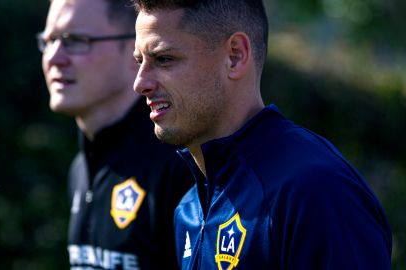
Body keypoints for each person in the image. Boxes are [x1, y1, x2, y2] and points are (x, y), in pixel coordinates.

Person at [131, 0, 393, 269]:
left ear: (235, 56)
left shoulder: (316, 190)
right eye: (139, 61)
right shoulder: (188, 209)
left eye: (163, 59)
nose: (140, 83)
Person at [37, 0, 193, 269]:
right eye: (49, 40)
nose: (54, 57)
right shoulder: (81, 167)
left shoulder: (179, 163)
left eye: (75, 40)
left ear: (136, 50)